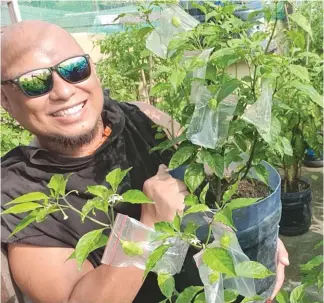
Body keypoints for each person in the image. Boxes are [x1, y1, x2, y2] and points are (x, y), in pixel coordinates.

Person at [1, 20, 289, 303]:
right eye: (35, 82)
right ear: (4, 98)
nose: (63, 91)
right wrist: (147, 227)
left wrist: (259, 232)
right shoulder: (18, 194)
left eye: (75, 68)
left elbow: (214, 180)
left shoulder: (142, 117)